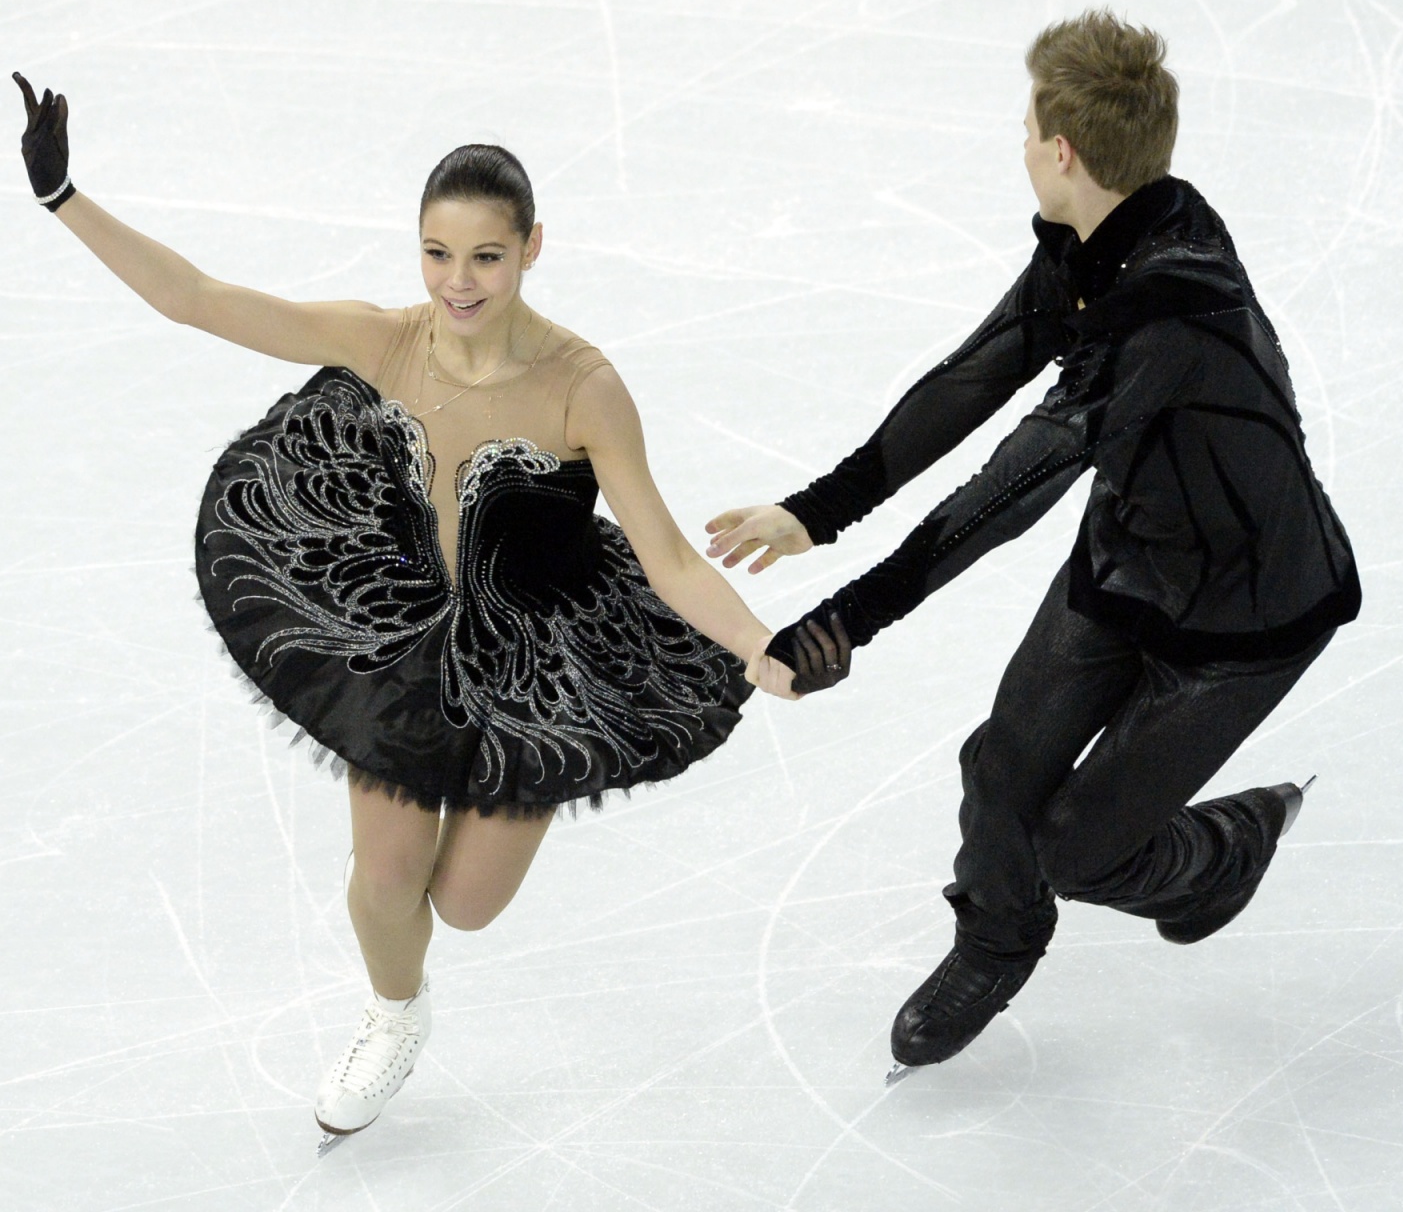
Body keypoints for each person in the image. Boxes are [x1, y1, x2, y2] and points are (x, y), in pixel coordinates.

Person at [12, 71, 807, 1148]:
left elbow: (665, 553)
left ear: (533, 246)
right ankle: (395, 1012)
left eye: (485, 254)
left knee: (469, 904)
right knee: (385, 882)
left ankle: (482, 851)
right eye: (437, 253)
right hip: (410, 633)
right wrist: (65, 197)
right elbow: (199, 299)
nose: (458, 280)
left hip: (541, 648)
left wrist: (759, 642)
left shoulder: (584, 386)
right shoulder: (388, 341)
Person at [704, 9, 1360, 1078]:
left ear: (1062, 151)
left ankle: (1215, 854)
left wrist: (844, 619)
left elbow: (1005, 494)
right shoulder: (1107, 241)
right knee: (998, 770)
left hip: (1249, 614)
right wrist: (816, 509)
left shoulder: (1163, 312)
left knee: (1077, 845)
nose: (1018, 145)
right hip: (1131, 562)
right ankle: (999, 937)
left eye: (1025, 130)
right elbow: (973, 378)